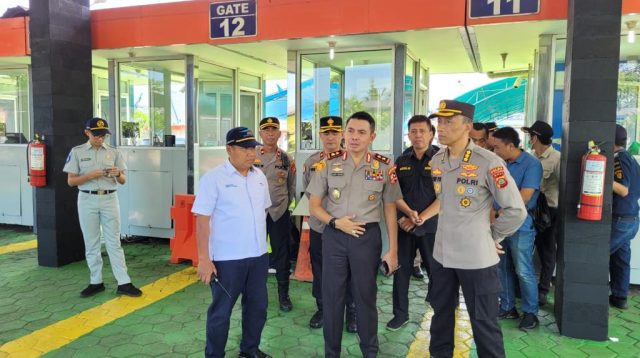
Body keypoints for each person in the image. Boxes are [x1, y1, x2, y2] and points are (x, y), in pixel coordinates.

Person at [427, 100, 526, 358]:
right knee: (440, 321)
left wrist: (491, 236)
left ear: (468, 126)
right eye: (439, 121)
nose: (441, 126)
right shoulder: (437, 160)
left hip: (476, 260)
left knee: (484, 325)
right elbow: (444, 203)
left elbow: (516, 210)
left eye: (449, 121)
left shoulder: (488, 162)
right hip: (442, 255)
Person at [307, 111, 401, 358]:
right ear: (344, 133)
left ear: (372, 136)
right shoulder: (327, 163)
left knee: (365, 297)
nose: (354, 137)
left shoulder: (384, 165)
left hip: (367, 239)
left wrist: (393, 250)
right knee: (333, 297)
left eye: (361, 132)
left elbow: (390, 208)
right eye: (350, 131)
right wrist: (336, 223)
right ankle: (332, 353)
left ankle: (370, 352)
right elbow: (314, 205)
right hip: (334, 238)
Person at [192, 127, 272, 358]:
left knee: (257, 308)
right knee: (221, 312)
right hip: (227, 260)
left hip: (257, 256)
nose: (251, 152)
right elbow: (202, 221)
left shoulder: (259, 177)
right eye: (244, 148)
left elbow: (262, 212)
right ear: (229, 149)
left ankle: (249, 350)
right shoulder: (214, 178)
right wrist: (204, 260)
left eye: (253, 147)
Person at [63, 117, 142, 298]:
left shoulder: (114, 152)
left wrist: (117, 174)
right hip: (87, 199)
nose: (100, 139)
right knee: (91, 242)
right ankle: (96, 281)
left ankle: (124, 282)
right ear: (87, 132)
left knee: (114, 241)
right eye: (96, 135)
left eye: (103, 135)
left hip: (109, 198)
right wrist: (90, 176)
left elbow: (123, 180)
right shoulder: (77, 152)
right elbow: (71, 181)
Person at [302, 116, 357, 333]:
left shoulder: (353, 159)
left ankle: (351, 311)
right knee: (320, 268)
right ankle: (323, 308)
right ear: (320, 135)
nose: (330, 137)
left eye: (335, 132)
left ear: (342, 134)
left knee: (351, 269)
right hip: (320, 226)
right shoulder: (311, 162)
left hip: (346, 225)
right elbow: (307, 191)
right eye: (326, 132)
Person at [388, 115, 440, 331]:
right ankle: (400, 315)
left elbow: (446, 196)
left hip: (432, 228)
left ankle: (441, 314)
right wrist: (406, 216)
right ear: (408, 134)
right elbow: (393, 193)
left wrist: (419, 219)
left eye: (422, 131)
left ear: (431, 133)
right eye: (413, 131)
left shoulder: (441, 159)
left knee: (437, 273)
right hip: (405, 227)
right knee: (401, 272)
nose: (417, 135)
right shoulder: (401, 160)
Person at [492, 127, 543, 330]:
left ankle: (531, 313)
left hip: (521, 225)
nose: (494, 151)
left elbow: (525, 197)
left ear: (510, 145)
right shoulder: (498, 164)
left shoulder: (532, 164)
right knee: (501, 267)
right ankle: (507, 306)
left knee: (523, 270)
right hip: (498, 224)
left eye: (497, 147)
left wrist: (499, 213)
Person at [255, 117, 296, 311]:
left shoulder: (287, 159)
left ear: (279, 134)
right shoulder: (251, 156)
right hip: (255, 214)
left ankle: (283, 296)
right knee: (255, 254)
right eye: (266, 130)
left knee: (282, 255)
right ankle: (255, 295)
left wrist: (286, 207)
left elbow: (291, 187)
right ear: (261, 134)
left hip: (279, 213)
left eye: (274, 130)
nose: (270, 133)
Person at [522, 120, 560, 306]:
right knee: (526, 247)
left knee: (547, 251)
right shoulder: (528, 158)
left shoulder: (557, 159)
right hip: (529, 209)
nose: (529, 139)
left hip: (549, 212)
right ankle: (523, 286)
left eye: (530, 136)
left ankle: (543, 289)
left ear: (535, 138)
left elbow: (562, 187)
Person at [610, 124, 640, 309]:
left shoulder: (619, 159)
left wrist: (601, 175)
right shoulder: (631, 159)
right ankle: (620, 297)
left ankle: (588, 296)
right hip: (631, 219)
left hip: (621, 220)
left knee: (597, 254)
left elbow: (622, 189)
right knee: (621, 259)